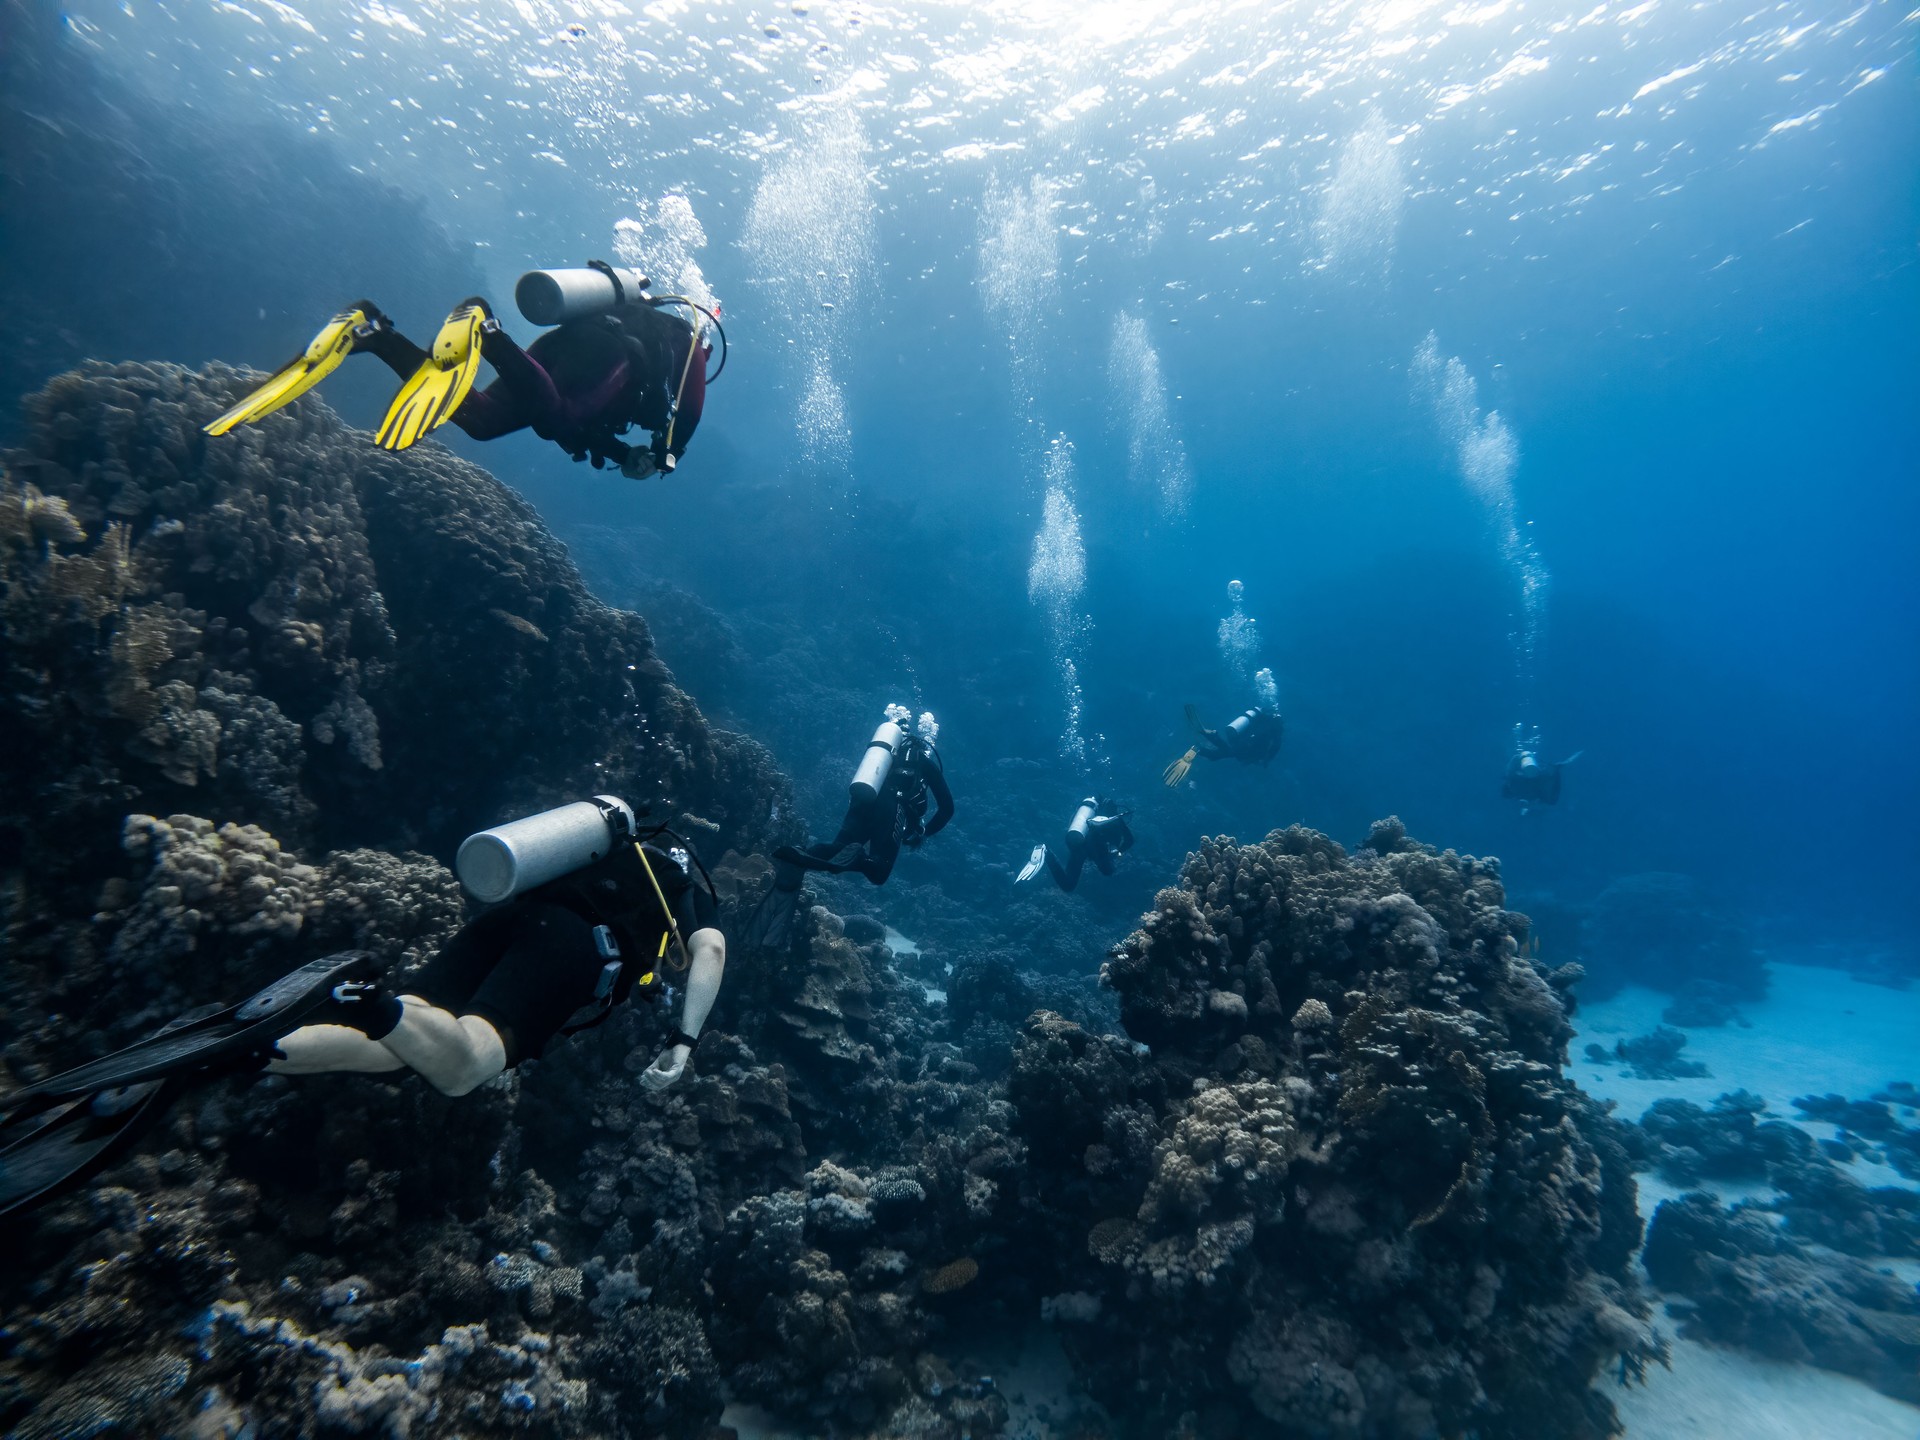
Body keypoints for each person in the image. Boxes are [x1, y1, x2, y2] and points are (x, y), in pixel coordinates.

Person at [0, 798, 721, 1216]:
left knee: (398, 1051)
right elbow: (710, 953)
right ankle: (370, 1003)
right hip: (573, 949)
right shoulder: (686, 880)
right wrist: (685, 1043)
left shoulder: (606, 840)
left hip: (512, 920)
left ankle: (233, 1053)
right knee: (464, 1066)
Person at [204, 261, 722, 478]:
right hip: (612, 357)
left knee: (482, 420)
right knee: (556, 418)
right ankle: (487, 331)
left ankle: (373, 332)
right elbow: (690, 412)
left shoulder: (644, 326)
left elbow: (591, 421)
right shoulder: (692, 346)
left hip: (565, 345)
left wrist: (617, 451)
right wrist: (670, 455)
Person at [746, 706, 953, 949]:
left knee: (836, 849)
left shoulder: (887, 757)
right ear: (924, 744)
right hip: (891, 805)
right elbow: (947, 809)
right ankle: (859, 857)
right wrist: (925, 832)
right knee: (879, 870)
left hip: (863, 799)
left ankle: (801, 855)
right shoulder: (925, 763)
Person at [1016, 797, 1133, 892]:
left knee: (1068, 885)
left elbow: (1072, 827)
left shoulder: (1089, 817)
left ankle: (1046, 853)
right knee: (1107, 871)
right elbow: (1129, 840)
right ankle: (1047, 854)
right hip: (1091, 847)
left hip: (1080, 844)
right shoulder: (1115, 820)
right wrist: (1118, 851)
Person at [1163, 704, 1283, 786]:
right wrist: (1267, 760)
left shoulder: (1261, 717)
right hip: (1247, 747)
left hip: (1237, 737)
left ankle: (1207, 737)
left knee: (1225, 752)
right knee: (1220, 755)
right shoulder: (1276, 726)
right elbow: (1275, 746)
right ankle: (1201, 745)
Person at [1502, 748, 1581, 809]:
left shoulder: (1514, 784)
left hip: (1533, 792)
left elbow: (1508, 775)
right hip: (1539, 793)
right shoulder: (1542, 776)